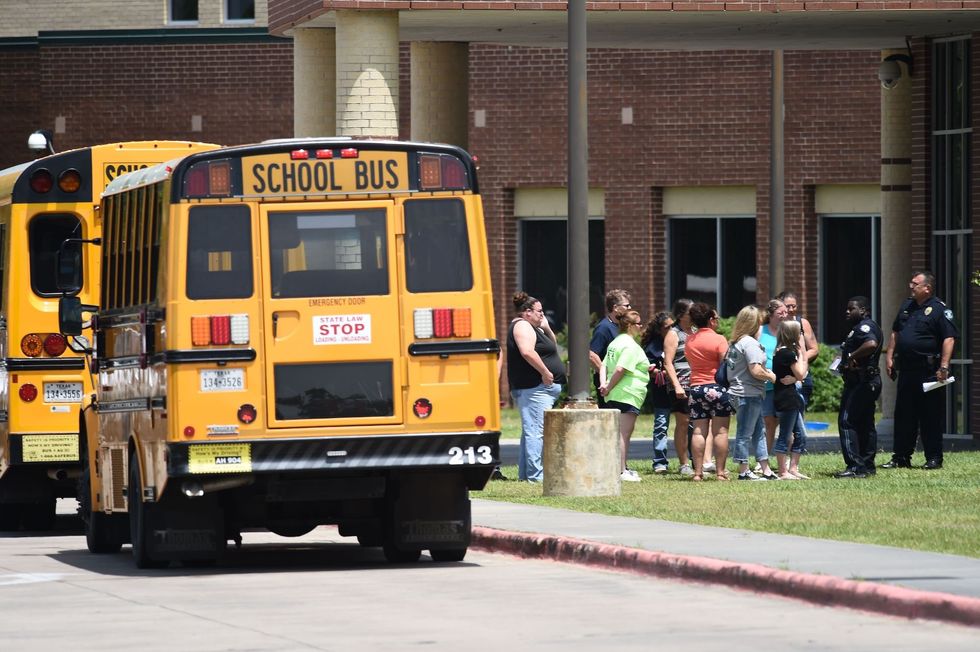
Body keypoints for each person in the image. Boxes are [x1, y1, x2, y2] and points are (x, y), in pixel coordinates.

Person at [883, 272, 958, 470]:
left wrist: (944, 366)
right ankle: (901, 457)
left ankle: (933, 458)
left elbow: (949, 338)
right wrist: (889, 357)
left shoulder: (939, 310)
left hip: (929, 371)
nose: (910, 286)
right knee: (904, 415)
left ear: (927, 288)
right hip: (907, 370)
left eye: (915, 284)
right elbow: (896, 332)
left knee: (930, 416)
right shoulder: (906, 306)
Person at [507, 291, 566, 482]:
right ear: (526, 312)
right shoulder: (522, 325)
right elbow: (527, 352)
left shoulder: (535, 327)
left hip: (540, 389)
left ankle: (526, 475)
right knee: (535, 432)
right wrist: (545, 372)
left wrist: (547, 328)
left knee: (531, 432)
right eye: (539, 312)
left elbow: (552, 346)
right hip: (534, 387)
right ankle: (536, 476)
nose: (542, 315)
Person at [726, 305, 778, 481]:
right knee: (744, 433)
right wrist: (771, 376)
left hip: (743, 392)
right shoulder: (749, 343)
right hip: (747, 393)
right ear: (755, 323)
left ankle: (766, 469)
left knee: (759, 431)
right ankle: (743, 471)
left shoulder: (736, 342)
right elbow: (756, 370)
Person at [835, 296, 883, 479]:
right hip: (866, 380)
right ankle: (867, 465)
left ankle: (855, 466)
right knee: (865, 424)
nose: (847, 312)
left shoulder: (865, 327)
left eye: (851, 308)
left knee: (847, 421)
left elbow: (871, 344)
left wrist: (850, 356)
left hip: (863, 382)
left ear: (863, 310)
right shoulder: (859, 328)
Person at [684, 303, 732, 481]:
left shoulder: (689, 340)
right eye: (716, 319)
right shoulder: (719, 339)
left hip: (696, 387)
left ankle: (697, 473)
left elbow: (691, 364)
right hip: (717, 387)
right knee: (721, 432)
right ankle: (720, 473)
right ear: (711, 320)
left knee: (698, 431)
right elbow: (725, 365)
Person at [599, 310, 649, 482]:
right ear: (630, 326)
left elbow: (603, 365)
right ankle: (620, 471)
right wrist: (608, 386)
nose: (641, 326)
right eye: (639, 323)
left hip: (614, 394)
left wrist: (604, 385)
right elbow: (621, 369)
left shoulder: (615, 343)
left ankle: (621, 467)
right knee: (623, 434)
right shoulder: (630, 345)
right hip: (627, 394)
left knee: (616, 433)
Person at [772, 320, 809, 480]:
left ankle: (792, 468)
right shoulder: (788, 353)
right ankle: (782, 471)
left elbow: (797, 377)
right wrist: (801, 354)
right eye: (800, 332)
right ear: (794, 334)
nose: (802, 335)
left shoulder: (782, 351)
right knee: (785, 436)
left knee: (801, 435)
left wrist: (795, 379)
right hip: (786, 399)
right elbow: (801, 374)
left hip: (789, 397)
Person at [663, 298, 695, 476]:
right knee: (683, 423)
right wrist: (676, 386)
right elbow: (668, 362)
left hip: (697, 382)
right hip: (681, 383)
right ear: (681, 315)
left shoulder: (696, 331)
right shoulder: (673, 334)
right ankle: (684, 463)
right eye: (691, 311)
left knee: (698, 423)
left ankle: (700, 460)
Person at [641, 311, 675, 473]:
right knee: (661, 425)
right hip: (661, 390)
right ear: (659, 329)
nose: (671, 329)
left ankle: (691, 459)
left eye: (673, 326)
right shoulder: (653, 346)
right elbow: (647, 367)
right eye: (667, 327)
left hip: (680, 388)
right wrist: (658, 372)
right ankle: (660, 462)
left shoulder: (678, 340)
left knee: (688, 424)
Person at [590, 289, 632, 408]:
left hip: (620, 382)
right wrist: (607, 376)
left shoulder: (620, 327)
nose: (630, 308)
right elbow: (591, 354)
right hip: (608, 385)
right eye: (626, 305)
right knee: (611, 419)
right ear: (615, 307)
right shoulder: (604, 327)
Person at [777, 290, 820, 407]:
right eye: (787, 306)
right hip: (780, 376)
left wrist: (796, 360)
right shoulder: (776, 324)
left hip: (800, 374)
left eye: (794, 306)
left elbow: (814, 349)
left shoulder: (802, 323)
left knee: (797, 412)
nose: (791, 309)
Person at [760, 298, 789, 456]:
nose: (785, 315)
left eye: (786, 312)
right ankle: (764, 458)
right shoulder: (760, 331)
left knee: (788, 424)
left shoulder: (789, 330)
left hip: (786, 383)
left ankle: (787, 461)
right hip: (768, 384)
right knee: (769, 423)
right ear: (770, 314)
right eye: (780, 312)